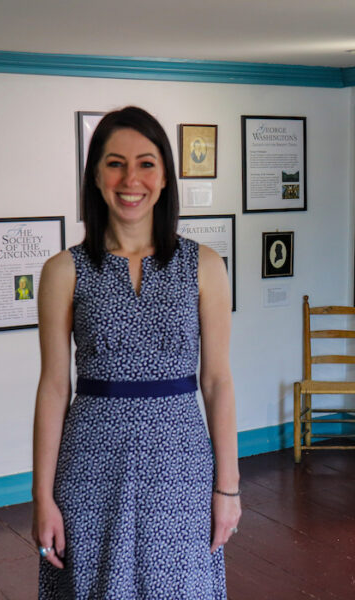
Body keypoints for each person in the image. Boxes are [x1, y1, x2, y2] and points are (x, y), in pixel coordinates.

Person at [32, 106, 240, 599]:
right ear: (96, 176)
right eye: (115, 163)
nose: (131, 179)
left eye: (146, 163)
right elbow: (54, 387)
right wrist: (42, 496)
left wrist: (228, 488)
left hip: (181, 464)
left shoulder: (204, 265)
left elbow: (217, 381)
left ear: (165, 175)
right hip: (90, 467)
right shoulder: (63, 271)